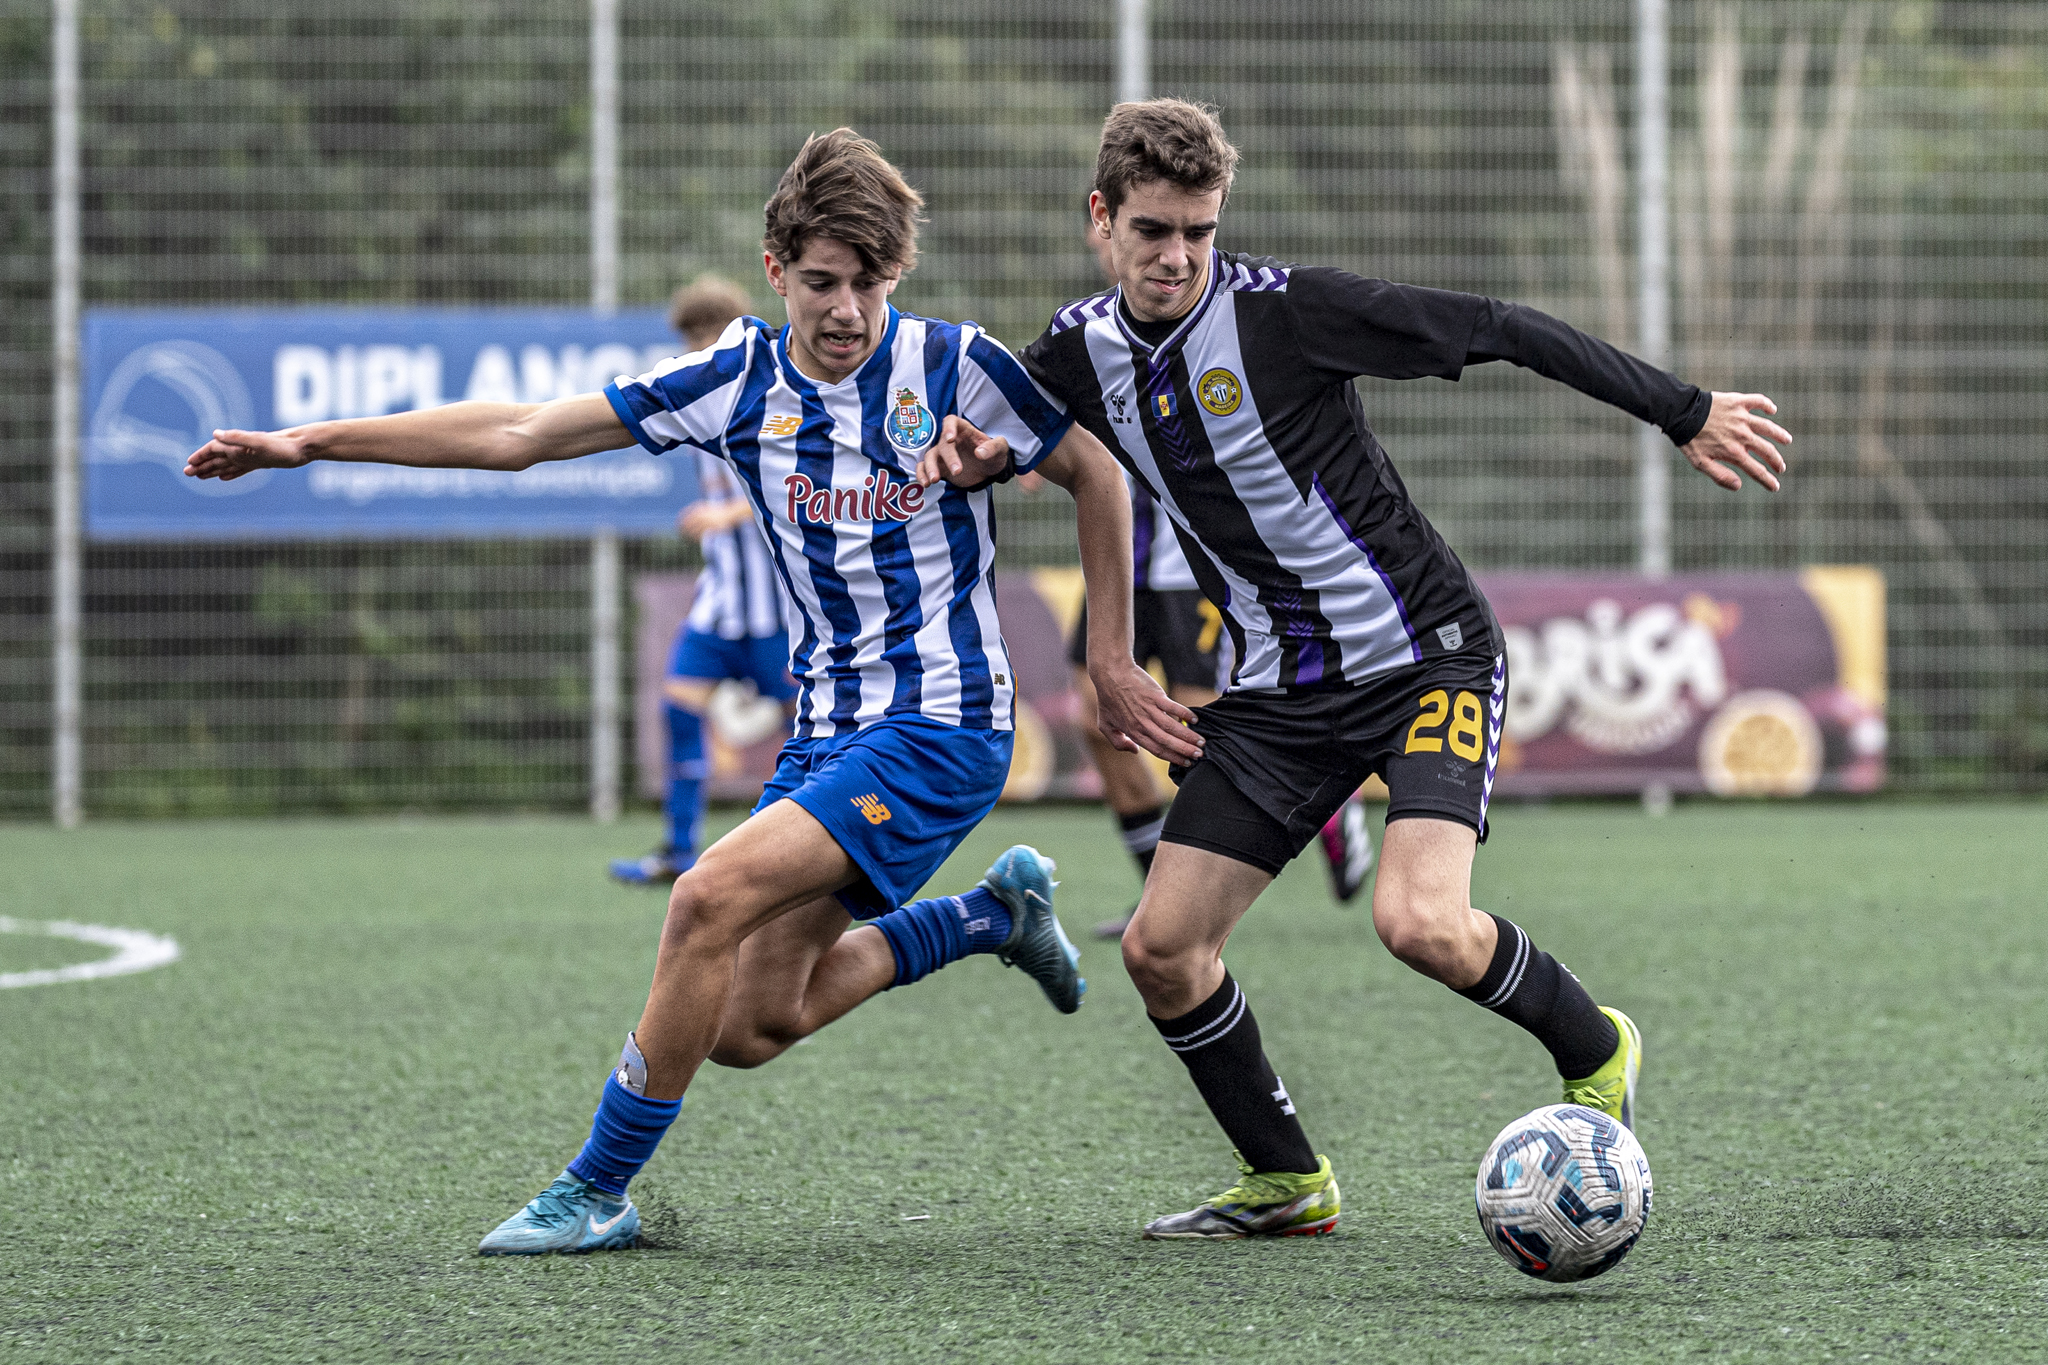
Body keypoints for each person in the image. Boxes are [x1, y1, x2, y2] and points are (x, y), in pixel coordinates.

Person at [186, 128, 1197, 1256]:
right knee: (750, 1024)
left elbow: (1093, 471)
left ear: (894, 277)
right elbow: (519, 433)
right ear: (776, 272)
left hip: (941, 723)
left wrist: (1108, 657)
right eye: (821, 282)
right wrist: (307, 442)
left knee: (702, 899)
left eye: (868, 284)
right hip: (826, 727)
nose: (846, 311)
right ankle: (984, 919)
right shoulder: (733, 379)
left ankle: (593, 1191)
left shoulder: (953, 365)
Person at [1002, 98, 1791, 1239]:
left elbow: (1502, 326)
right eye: (1151, 231)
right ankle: (1287, 1180)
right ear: (1099, 219)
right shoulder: (1074, 350)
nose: (1176, 255)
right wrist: (960, 455)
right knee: (1161, 951)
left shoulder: (1292, 314)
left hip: (1426, 658)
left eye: (1198, 231)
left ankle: (1595, 1044)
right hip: (1277, 694)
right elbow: (1001, 437)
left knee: (1420, 922)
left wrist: (1681, 410)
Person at [1050, 225, 1377, 939]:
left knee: (1199, 727)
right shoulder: (1088, 335)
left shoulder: (1206, 318)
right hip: (1118, 564)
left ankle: (1324, 802)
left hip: (1184, 564)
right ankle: (1156, 896)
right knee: (1094, 716)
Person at [611, 274, 800, 886]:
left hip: (777, 608)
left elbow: (793, 475)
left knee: (816, 734)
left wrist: (727, 513)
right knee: (678, 707)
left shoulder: (771, 392)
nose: (695, 349)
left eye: (703, 336)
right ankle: (678, 851)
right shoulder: (694, 397)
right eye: (689, 339)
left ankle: (793, 852)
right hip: (721, 606)